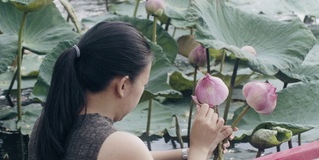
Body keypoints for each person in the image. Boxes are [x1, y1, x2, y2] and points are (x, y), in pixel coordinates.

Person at [28, 21, 235, 160]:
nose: (142, 90)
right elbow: (127, 153)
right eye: (144, 84)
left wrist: (188, 153)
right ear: (123, 85)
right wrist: (198, 148)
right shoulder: (120, 144)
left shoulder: (49, 122)